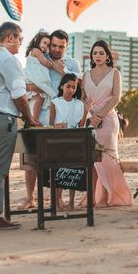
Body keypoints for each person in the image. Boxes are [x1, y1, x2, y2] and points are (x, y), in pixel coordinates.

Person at [0, 22, 38, 231]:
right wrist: (29, 118)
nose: (21, 43)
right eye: (20, 39)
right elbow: (18, 93)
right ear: (10, 38)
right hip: (1, 117)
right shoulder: (7, 58)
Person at [20, 29, 81, 209]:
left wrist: (63, 72)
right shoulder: (39, 58)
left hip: (60, 120)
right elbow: (24, 84)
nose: (56, 49)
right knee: (31, 158)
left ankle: (57, 198)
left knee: (59, 161)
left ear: (67, 46)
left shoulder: (72, 64)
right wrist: (34, 87)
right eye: (53, 45)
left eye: (61, 47)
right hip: (37, 116)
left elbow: (78, 90)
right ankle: (30, 198)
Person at [82, 40, 133, 207]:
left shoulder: (114, 73)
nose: (97, 56)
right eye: (95, 53)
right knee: (93, 159)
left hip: (108, 120)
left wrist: (100, 115)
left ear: (107, 56)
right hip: (90, 120)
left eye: (101, 53)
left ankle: (108, 196)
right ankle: (95, 197)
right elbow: (82, 98)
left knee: (107, 158)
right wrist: (91, 116)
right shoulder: (86, 75)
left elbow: (116, 97)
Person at [49, 73, 87, 211]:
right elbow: (51, 125)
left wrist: (87, 110)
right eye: (68, 86)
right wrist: (58, 126)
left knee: (73, 171)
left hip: (74, 141)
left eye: (74, 87)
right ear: (62, 86)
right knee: (60, 171)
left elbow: (81, 126)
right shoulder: (55, 103)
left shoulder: (79, 104)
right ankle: (57, 200)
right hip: (59, 142)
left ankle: (71, 202)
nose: (71, 89)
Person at [24, 31, 57, 122]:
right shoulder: (36, 51)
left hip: (34, 77)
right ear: (38, 41)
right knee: (40, 95)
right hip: (34, 77)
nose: (45, 46)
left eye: (48, 45)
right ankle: (34, 118)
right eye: (44, 43)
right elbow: (45, 63)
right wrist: (52, 64)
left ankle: (34, 118)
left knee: (39, 97)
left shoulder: (36, 52)